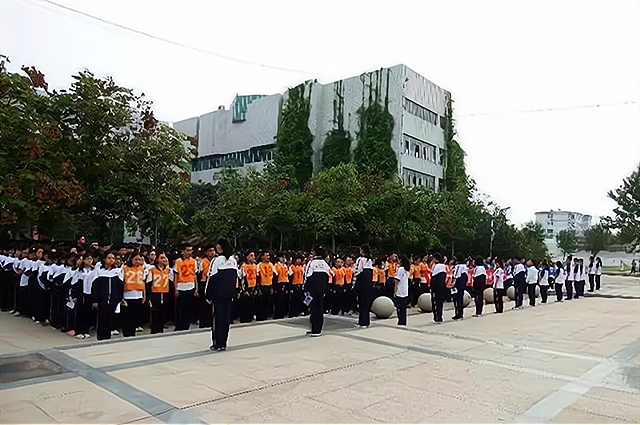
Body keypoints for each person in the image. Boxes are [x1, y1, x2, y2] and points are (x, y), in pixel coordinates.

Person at [206, 238, 239, 351]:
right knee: (226, 318)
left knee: (218, 318)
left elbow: (211, 278)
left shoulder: (217, 260)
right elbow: (236, 278)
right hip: (229, 294)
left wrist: (208, 294)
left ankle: (217, 343)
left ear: (220, 246)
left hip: (218, 294)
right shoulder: (233, 260)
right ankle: (223, 342)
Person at [90, 252, 123, 341]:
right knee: (102, 319)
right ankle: (101, 337)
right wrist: (95, 300)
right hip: (102, 300)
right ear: (104, 259)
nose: (111, 260)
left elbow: (120, 286)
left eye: (113, 258)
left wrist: (119, 298)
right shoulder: (98, 271)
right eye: (109, 258)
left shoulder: (117, 271)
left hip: (113, 300)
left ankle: (108, 337)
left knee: (110, 319)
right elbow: (94, 286)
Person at [303, 246, 332, 337]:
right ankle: (317, 329)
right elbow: (330, 274)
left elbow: (307, 276)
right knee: (319, 308)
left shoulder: (312, 262)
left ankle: (315, 330)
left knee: (313, 308)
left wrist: (305, 288)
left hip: (313, 288)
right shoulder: (324, 263)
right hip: (321, 289)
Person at [120, 253, 146, 338]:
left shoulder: (142, 269)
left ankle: (132, 334)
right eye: (136, 259)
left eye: (139, 260)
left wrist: (144, 295)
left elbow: (143, 282)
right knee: (127, 318)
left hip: (138, 295)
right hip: (128, 295)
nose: (137, 261)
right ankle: (127, 334)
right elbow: (121, 282)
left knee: (135, 317)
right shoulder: (125, 268)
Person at [173, 244, 198, 331]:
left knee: (189, 308)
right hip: (181, 286)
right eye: (187, 250)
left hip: (190, 286)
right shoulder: (178, 261)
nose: (189, 252)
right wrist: (175, 289)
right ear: (183, 251)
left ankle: (186, 326)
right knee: (180, 308)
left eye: (190, 250)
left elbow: (194, 275)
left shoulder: (193, 261)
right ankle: (179, 326)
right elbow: (175, 276)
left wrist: (196, 289)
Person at [146, 252, 172, 334]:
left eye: (165, 257)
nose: (164, 259)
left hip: (165, 294)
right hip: (155, 294)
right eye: (162, 258)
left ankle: (161, 331)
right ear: (157, 259)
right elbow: (148, 283)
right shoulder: (152, 270)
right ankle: (154, 331)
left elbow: (171, 282)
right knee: (155, 314)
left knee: (163, 314)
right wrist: (148, 297)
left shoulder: (168, 270)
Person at [354, 245, 373, 329]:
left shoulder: (360, 259)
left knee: (361, 302)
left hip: (361, 281)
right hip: (368, 281)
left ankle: (362, 322)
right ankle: (366, 321)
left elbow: (357, 271)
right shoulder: (370, 260)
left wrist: (354, 283)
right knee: (366, 302)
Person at [198, 245, 216, 328]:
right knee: (204, 304)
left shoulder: (216, 261)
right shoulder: (203, 261)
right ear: (206, 252)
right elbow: (199, 274)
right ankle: (203, 323)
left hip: (213, 283)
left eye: (213, 251)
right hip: (204, 282)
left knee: (211, 304)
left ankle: (210, 322)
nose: (212, 253)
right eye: (210, 251)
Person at [256, 251, 276, 321]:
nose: (268, 257)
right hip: (262, 286)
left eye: (268, 255)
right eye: (266, 255)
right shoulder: (259, 265)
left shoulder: (271, 265)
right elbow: (257, 276)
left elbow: (274, 275)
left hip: (269, 285)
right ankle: (260, 317)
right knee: (261, 303)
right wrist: (258, 288)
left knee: (268, 302)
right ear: (262, 257)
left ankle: (267, 316)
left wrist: (272, 287)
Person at [392, 255, 411, 326]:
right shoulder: (407, 269)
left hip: (400, 290)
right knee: (403, 307)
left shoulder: (400, 269)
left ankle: (400, 321)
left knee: (399, 307)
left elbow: (397, 280)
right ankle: (403, 321)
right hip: (405, 290)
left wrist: (395, 290)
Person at [430, 253, 446, 324]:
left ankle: (437, 316)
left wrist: (431, 287)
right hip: (442, 287)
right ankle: (440, 316)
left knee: (435, 302)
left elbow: (433, 278)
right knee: (440, 302)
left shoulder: (437, 266)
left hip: (436, 287)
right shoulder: (443, 266)